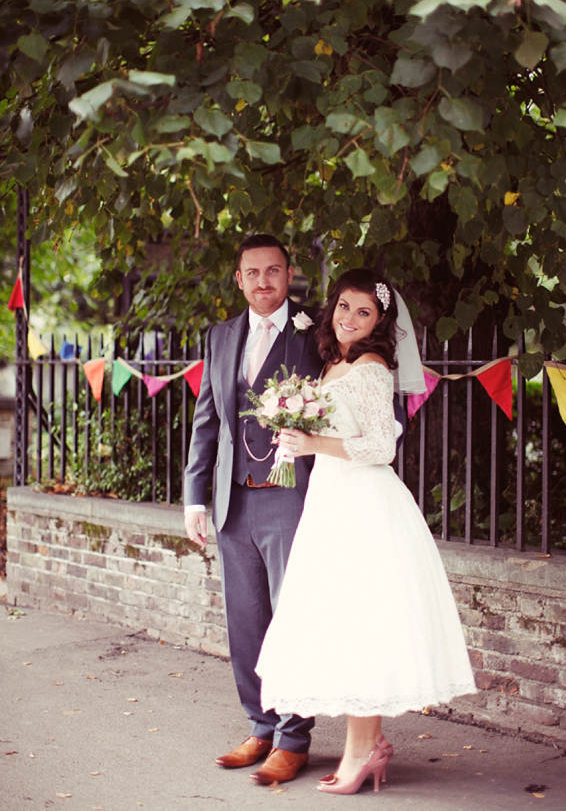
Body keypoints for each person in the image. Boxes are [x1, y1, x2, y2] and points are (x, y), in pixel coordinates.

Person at [256, 268, 477, 795]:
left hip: (363, 503)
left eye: (364, 312)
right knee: (353, 625)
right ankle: (367, 749)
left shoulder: (373, 368)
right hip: (332, 499)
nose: (350, 319)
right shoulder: (336, 362)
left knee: (362, 622)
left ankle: (361, 754)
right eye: (344, 308)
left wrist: (313, 446)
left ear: (380, 322)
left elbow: (382, 448)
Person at [183, 234, 323, 786]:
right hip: (231, 500)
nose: (263, 281)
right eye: (252, 272)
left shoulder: (315, 334)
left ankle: (294, 738)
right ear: (238, 279)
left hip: (290, 495)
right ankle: (259, 725)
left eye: (273, 271)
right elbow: (207, 422)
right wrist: (195, 498)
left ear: (290, 275)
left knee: (292, 619)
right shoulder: (220, 337)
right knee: (245, 623)